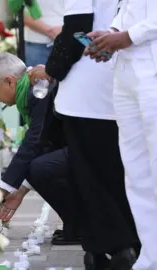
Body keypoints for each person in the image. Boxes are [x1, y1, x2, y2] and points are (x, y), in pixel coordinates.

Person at [27, 0, 141, 269]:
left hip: (85, 91)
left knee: (89, 177)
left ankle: (110, 247)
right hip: (119, 85)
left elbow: (77, 28)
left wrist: (51, 70)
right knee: (121, 174)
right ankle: (129, 243)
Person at [84, 1, 157, 269]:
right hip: (126, 73)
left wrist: (125, 37)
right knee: (137, 173)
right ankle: (151, 258)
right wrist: (109, 33)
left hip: (152, 72)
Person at [0, 52, 80, 245]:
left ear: (10, 81)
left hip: (90, 150)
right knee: (38, 166)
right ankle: (76, 225)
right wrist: (19, 190)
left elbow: (34, 142)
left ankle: (81, 225)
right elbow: (42, 143)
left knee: (40, 167)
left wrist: (3, 190)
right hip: (76, 149)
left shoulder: (38, 89)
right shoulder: (31, 91)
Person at [23, 0, 65, 66]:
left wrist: (66, 29)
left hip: (67, 42)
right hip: (37, 45)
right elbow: (22, 13)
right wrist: (50, 32)